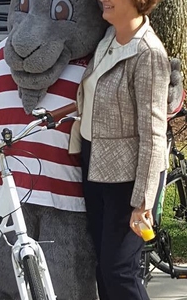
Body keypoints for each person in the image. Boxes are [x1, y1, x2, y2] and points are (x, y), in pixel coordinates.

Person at [0, 0, 183, 299]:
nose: (30, 33)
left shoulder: (96, 56)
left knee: (68, 285)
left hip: (66, 196)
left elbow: (133, 105)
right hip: (4, 191)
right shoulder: (5, 54)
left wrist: (167, 96)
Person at [70, 0, 172, 299]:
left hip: (127, 178)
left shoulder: (149, 54)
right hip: (94, 165)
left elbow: (153, 134)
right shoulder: (107, 39)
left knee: (119, 269)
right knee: (104, 266)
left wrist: (143, 202)